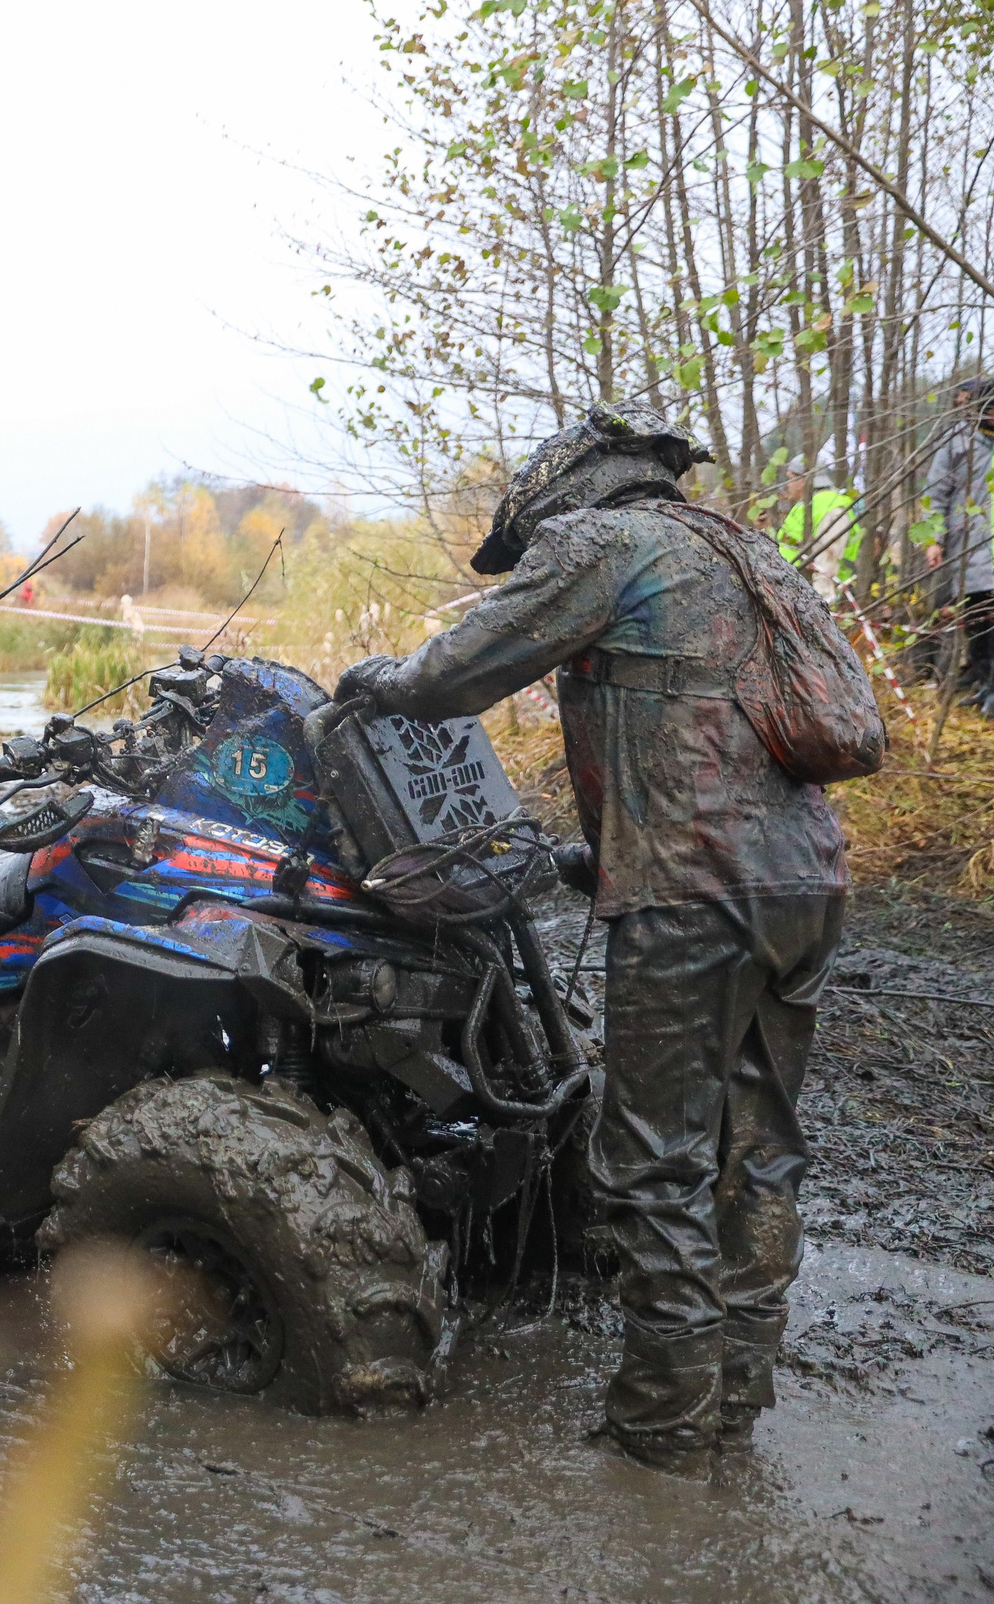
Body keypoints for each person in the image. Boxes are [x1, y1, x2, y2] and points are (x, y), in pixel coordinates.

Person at [332, 400, 863, 1477]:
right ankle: (732, 1405)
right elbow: (713, 727)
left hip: (691, 892)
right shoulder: (743, 550)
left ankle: (661, 1433)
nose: (531, 554)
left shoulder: (600, 541)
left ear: (564, 493)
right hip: (805, 883)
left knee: (653, 1165)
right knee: (757, 1152)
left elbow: (450, 678)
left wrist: (371, 680)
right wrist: (588, 857)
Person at [922, 377, 994, 698]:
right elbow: (935, 493)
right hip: (967, 549)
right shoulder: (957, 441)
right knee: (978, 619)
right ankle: (983, 681)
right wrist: (934, 539)